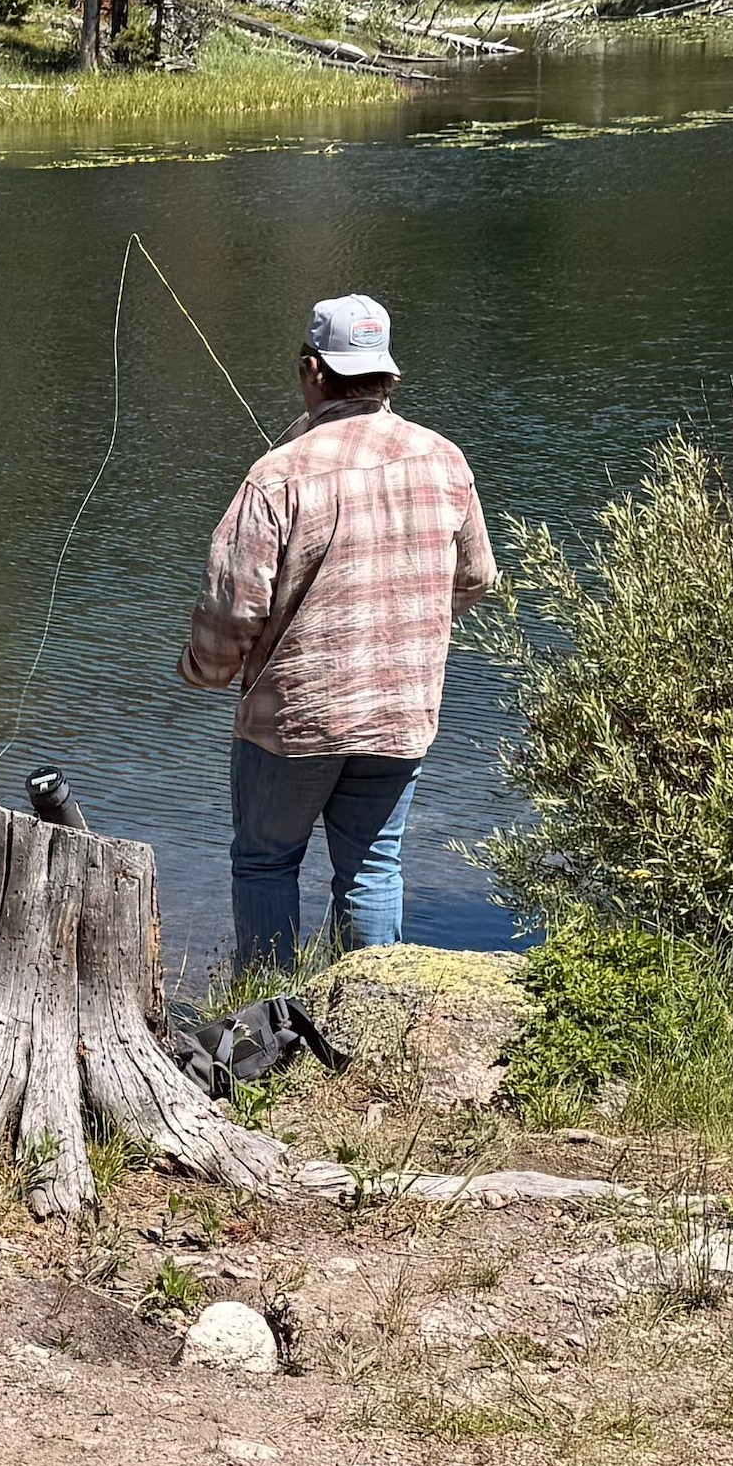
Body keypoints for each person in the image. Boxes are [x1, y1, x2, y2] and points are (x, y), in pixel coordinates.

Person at [177, 290, 498, 977]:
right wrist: (403, 627)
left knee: (266, 863)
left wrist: (204, 670)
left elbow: (234, 609)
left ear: (312, 371)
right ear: (387, 375)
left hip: (295, 721)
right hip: (401, 712)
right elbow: (476, 579)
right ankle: (374, 1018)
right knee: (374, 867)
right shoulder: (445, 459)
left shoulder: (278, 474)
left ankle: (264, 1017)